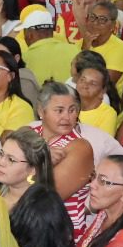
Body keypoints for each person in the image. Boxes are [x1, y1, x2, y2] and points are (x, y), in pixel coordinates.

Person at [28, 81, 94, 226]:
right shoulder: (29, 133)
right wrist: (41, 158)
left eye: (72, 110)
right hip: (26, 225)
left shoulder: (80, 148)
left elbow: (44, 198)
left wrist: (33, 160)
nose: (67, 117)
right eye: (59, 110)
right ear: (41, 111)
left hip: (60, 231)